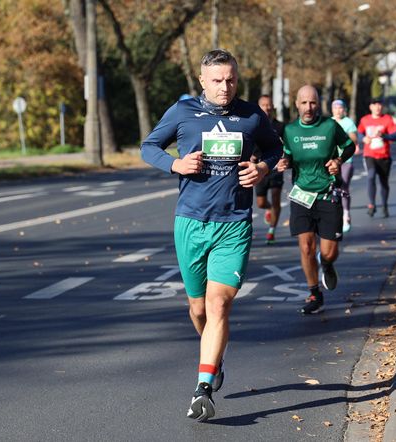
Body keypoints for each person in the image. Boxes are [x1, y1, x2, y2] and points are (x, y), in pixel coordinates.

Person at [140, 49, 282, 422]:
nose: (225, 87)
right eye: (217, 80)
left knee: (219, 305)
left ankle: (203, 388)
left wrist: (262, 168)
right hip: (190, 222)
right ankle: (214, 359)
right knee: (199, 308)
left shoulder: (252, 115)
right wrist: (176, 163)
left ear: (238, 78)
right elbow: (148, 147)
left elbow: (274, 146)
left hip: (234, 223)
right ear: (202, 80)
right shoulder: (183, 113)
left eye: (231, 79)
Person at [276, 85, 355, 314]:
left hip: (327, 194)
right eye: (304, 103)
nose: (308, 108)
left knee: (329, 252)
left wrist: (339, 161)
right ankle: (314, 293)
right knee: (306, 247)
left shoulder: (330, 125)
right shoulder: (290, 131)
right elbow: (289, 156)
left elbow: (349, 146)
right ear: (297, 105)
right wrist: (284, 163)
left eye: (312, 103)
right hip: (301, 195)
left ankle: (328, 264)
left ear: (318, 104)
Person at [357, 98, 396, 218]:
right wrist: (363, 138)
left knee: (384, 182)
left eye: (379, 105)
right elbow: (359, 132)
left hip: (384, 156)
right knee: (370, 176)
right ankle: (371, 204)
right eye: (375, 105)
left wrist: (384, 135)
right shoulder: (365, 120)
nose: (377, 107)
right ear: (371, 107)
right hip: (370, 155)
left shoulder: (387, 119)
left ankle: (384, 205)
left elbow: (395, 136)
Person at [253, 94, 285, 244]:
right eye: (263, 105)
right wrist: (250, 157)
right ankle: (269, 209)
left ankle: (271, 231)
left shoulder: (280, 126)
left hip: (275, 168)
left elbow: (287, 145)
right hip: (259, 168)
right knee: (260, 202)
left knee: (276, 198)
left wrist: (285, 158)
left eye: (269, 105)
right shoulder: (253, 124)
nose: (266, 108)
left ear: (273, 107)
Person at [331, 99, 358, 232]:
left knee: (344, 185)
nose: (338, 110)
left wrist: (341, 138)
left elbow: (354, 140)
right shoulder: (329, 122)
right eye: (335, 108)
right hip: (332, 159)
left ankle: (346, 213)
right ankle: (336, 213)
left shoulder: (348, 122)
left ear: (344, 109)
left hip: (346, 160)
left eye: (340, 108)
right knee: (334, 187)